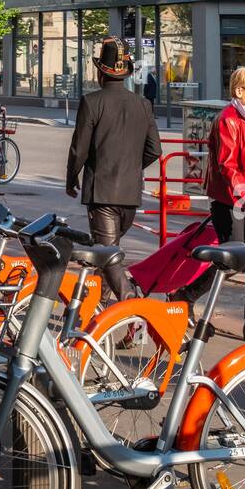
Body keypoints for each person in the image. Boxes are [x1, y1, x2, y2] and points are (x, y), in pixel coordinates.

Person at [173, 65, 245, 341]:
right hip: (231, 201)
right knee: (233, 262)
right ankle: (184, 295)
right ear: (239, 91)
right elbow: (228, 167)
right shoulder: (229, 119)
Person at [65, 36, 163, 303]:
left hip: (102, 193)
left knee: (108, 254)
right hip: (130, 194)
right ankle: (93, 308)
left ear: (100, 72)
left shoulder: (92, 102)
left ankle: (133, 311)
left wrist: (72, 177)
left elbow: (79, 149)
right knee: (107, 252)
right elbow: (155, 149)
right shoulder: (142, 105)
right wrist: (132, 167)